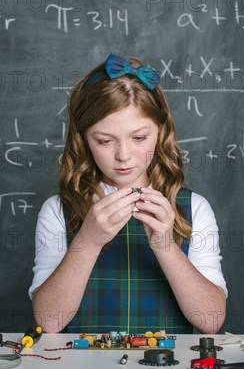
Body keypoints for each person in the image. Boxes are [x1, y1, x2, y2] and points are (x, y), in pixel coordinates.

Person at [29, 54, 227, 334]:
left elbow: (210, 321)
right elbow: (49, 321)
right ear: (84, 138)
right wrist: (88, 240)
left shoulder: (194, 208)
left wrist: (165, 246)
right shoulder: (58, 210)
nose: (123, 156)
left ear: (160, 132)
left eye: (139, 138)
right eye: (105, 141)